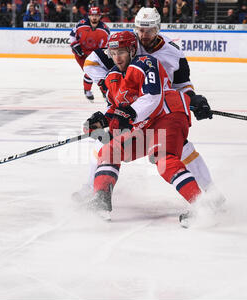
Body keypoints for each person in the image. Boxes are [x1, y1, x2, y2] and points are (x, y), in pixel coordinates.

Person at [78, 7, 222, 211]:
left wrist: (194, 100)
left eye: (149, 30)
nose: (143, 35)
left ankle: (211, 194)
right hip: (134, 107)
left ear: (158, 29)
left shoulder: (172, 52)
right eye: (140, 30)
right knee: (108, 146)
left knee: (179, 150)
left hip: (161, 110)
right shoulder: (128, 43)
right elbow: (92, 61)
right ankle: (91, 190)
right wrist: (109, 86)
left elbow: (182, 85)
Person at [69, 6, 110, 102]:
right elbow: (72, 36)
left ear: (100, 16)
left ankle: (104, 91)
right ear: (89, 16)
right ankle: (89, 91)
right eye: (92, 15)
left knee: (100, 73)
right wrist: (75, 46)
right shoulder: (81, 24)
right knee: (90, 72)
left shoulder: (104, 29)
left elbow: (107, 44)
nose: (94, 18)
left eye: (96, 15)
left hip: (96, 54)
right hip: (81, 54)